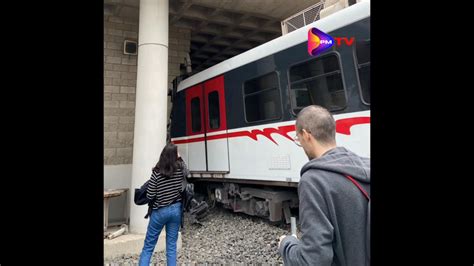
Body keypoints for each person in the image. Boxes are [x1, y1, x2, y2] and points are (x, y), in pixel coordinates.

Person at [278, 105, 370, 266]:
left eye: (298, 139)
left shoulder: (314, 181)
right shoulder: (366, 167)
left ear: (306, 135)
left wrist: (286, 245)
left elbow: (313, 260)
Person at [139, 143, 187, 266]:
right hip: (176, 210)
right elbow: (187, 175)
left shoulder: (156, 172)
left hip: (159, 211)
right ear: (174, 156)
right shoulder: (179, 170)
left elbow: (150, 195)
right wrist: (180, 159)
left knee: (148, 247)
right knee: (171, 247)